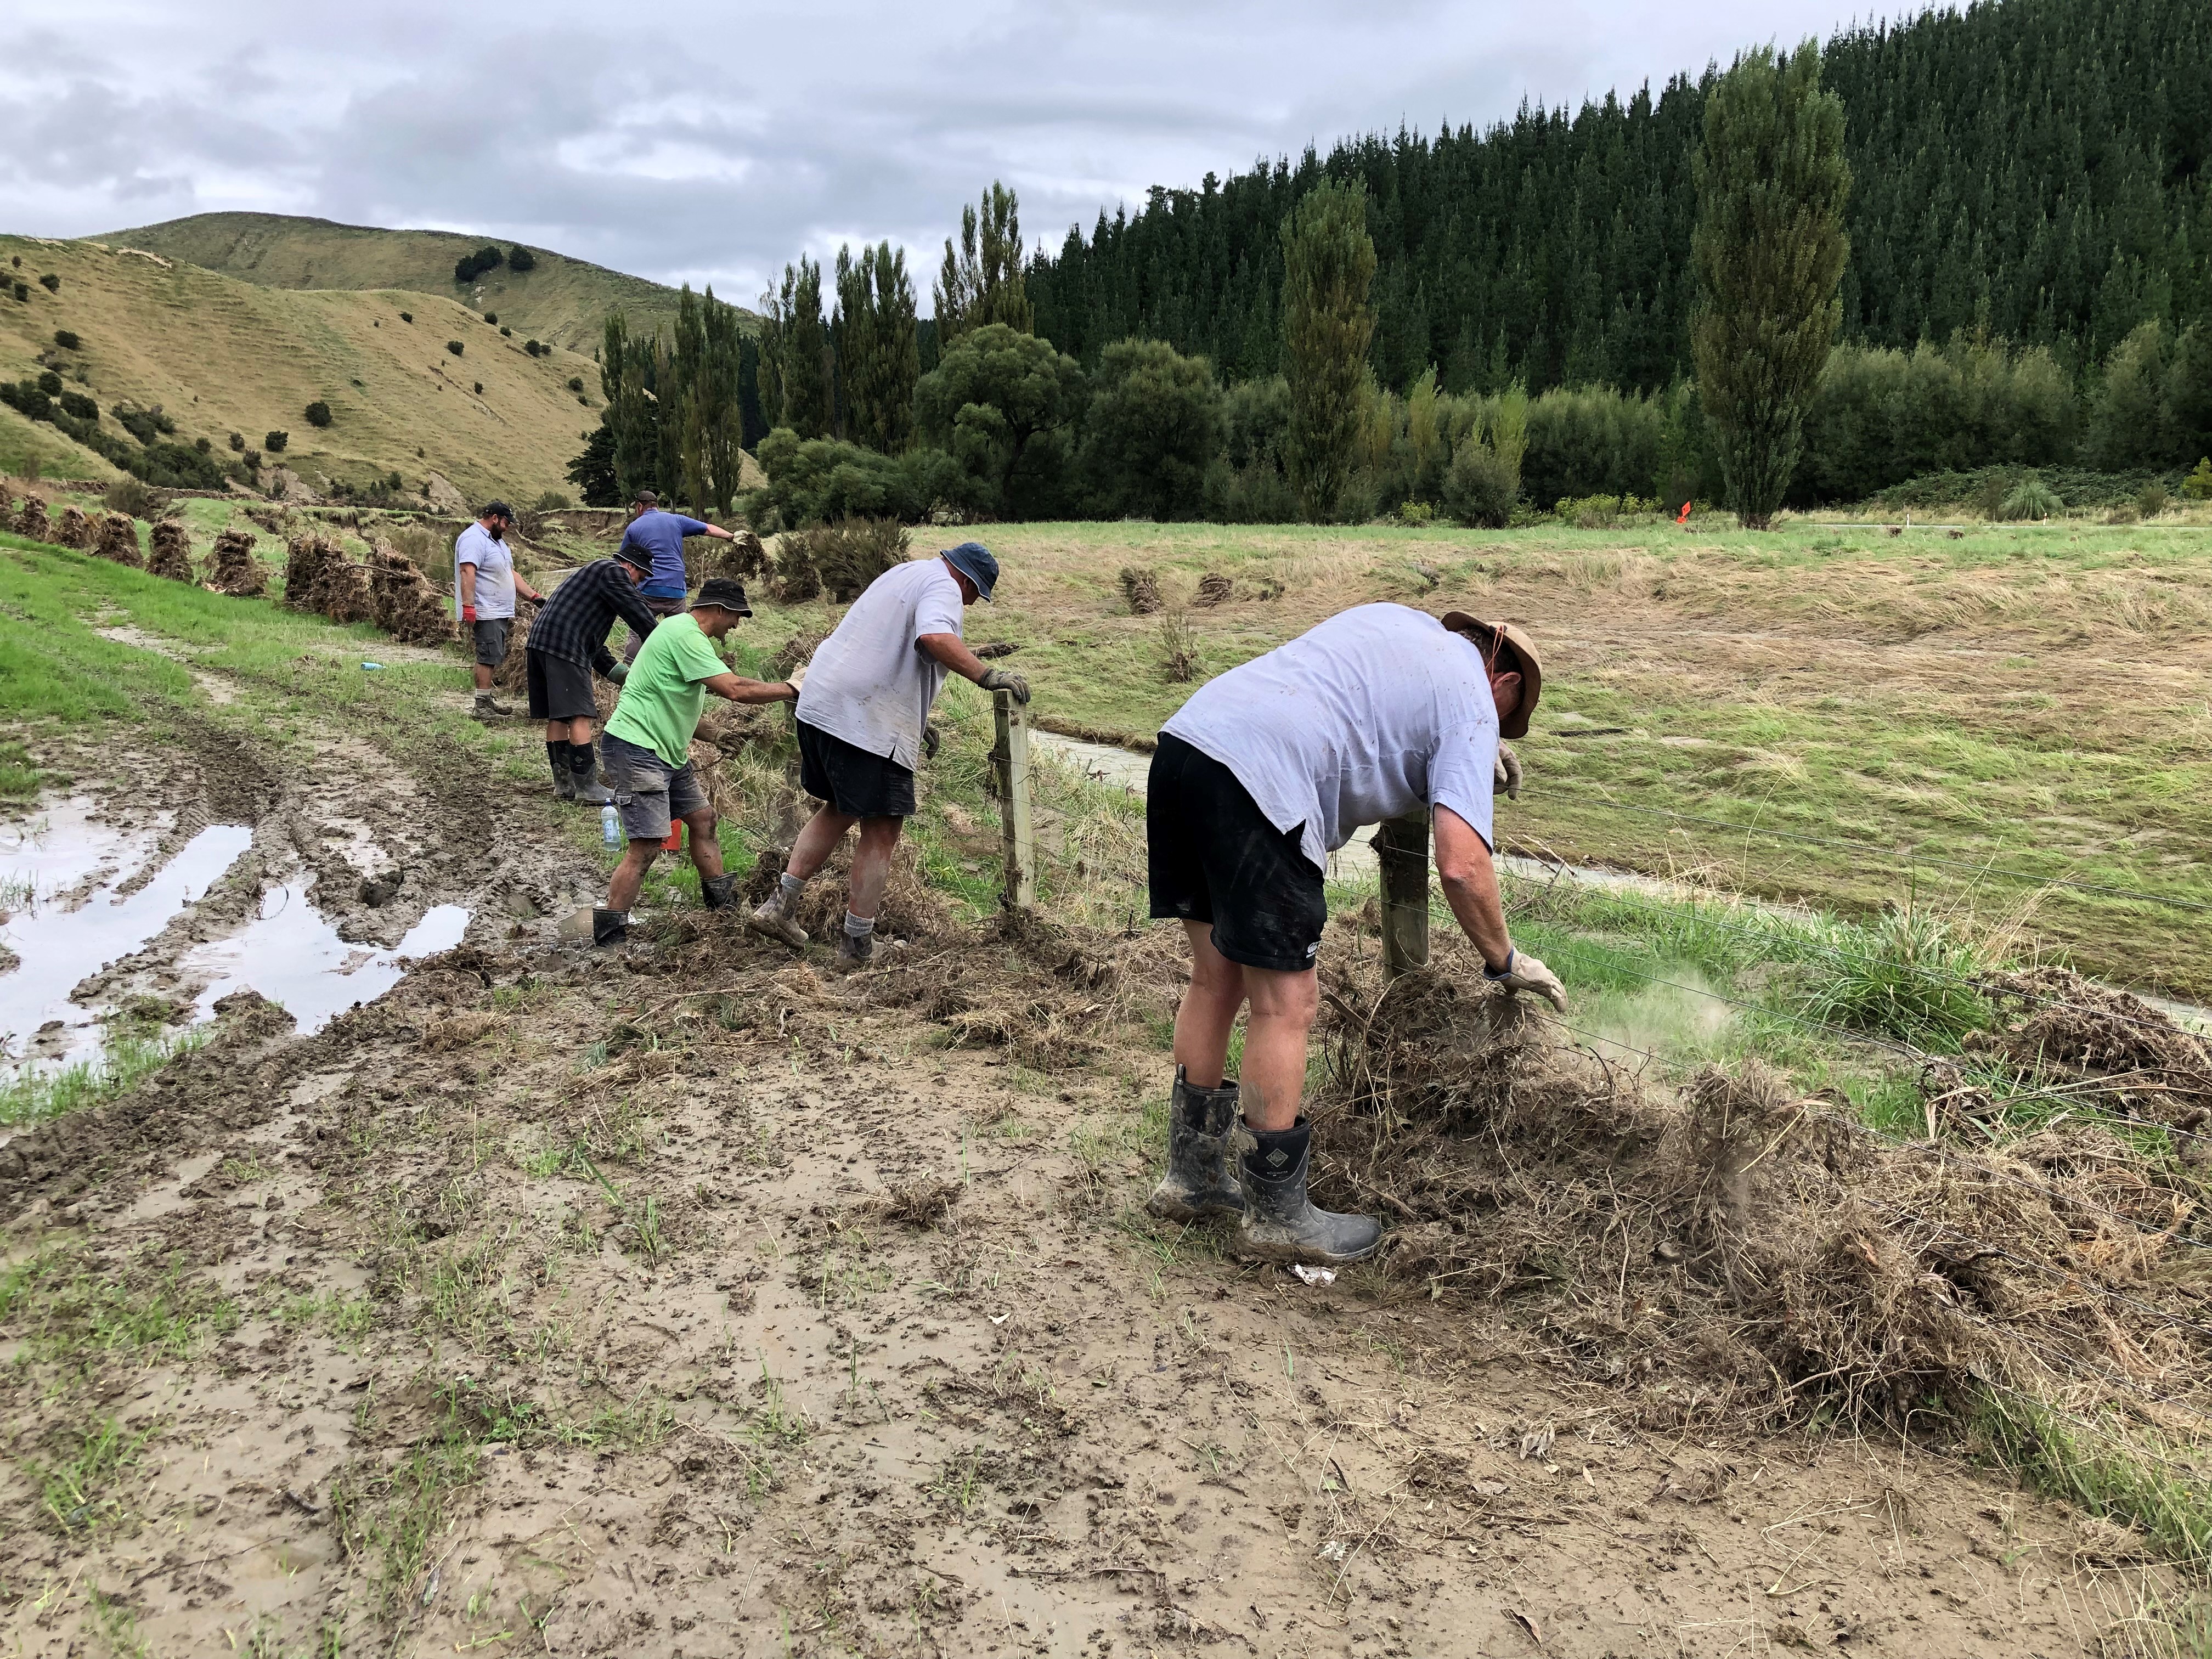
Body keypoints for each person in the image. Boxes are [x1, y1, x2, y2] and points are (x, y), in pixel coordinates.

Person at [1142, 605, 1569, 1266]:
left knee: (1215, 976)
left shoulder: (1397, 623)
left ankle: (1190, 1181)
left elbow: (1374, 718)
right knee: (1286, 1005)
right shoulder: (1472, 703)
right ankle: (1276, 1217)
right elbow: (1460, 863)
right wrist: (1504, 960)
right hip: (1261, 781)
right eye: (1504, 715)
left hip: (1187, 749)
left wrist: (1465, 749)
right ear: (1505, 682)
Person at [748, 540, 1029, 966]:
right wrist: (987, 675)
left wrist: (914, 715)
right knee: (882, 828)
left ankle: (778, 906)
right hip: (862, 720)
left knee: (841, 808)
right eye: (976, 595)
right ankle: (857, 945)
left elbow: (881, 650)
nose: (971, 603)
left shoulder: (902, 574)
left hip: (823, 704)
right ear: (968, 580)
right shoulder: (945, 586)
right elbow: (935, 636)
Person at [592, 577, 799, 946]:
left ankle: (722, 911)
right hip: (637, 747)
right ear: (719, 610)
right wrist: (792, 687)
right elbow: (735, 689)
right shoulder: (685, 633)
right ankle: (610, 932)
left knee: (703, 820)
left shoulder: (681, 633)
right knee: (648, 844)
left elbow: (672, 702)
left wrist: (716, 734)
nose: (737, 625)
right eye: (737, 616)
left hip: (664, 750)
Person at [524, 541, 662, 805]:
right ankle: (587, 788)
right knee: (581, 714)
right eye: (641, 577)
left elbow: (594, 647)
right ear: (630, 566)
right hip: (564, 648)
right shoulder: (613, 572)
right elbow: (639, 614)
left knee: (558, 716)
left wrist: (624, 676)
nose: (638, 584)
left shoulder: (593, 579)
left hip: (540, 644)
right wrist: (665, 643)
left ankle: (564, 785)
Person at [616, 489, 749, 662]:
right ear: (656, 505)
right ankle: (687, 666)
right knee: (683, 633)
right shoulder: (676, 520)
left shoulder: (634, 527)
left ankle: (628, 668)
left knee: (636, 632)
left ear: (640, 507)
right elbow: (707, 529)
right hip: (676, 590)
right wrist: (731, 537)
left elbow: (623, 560)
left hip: (648, 590)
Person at [454, 501, 545, 719]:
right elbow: (467, 571)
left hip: (500, 610)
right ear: (494, 518)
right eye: (505, 522)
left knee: (494, 655)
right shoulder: (473, 539)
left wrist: (534, 597)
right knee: (487, 656)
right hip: (485, 609)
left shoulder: (498, 543)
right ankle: (481, 706)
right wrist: (469, 607)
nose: (507, 527)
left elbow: (510, 574)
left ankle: (486, 699)